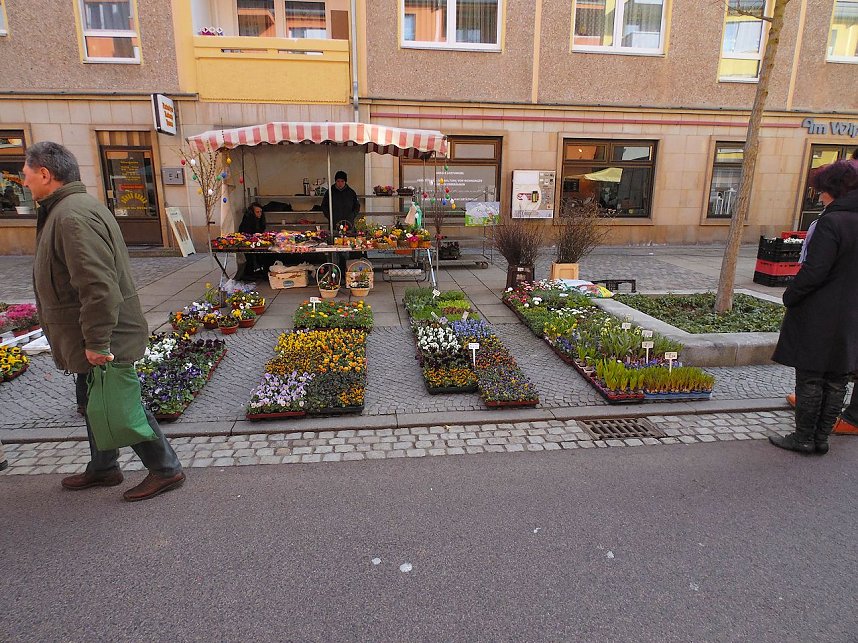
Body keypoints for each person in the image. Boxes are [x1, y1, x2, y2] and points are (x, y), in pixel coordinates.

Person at [22, 141, 185, 501]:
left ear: (46, 174)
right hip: (90, 329)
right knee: (92, 397)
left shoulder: (71, 215)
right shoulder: (69, 209)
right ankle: (104, 467)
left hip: (102, 332)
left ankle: (165, 469)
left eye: (27, 175)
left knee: (119, 401)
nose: (24, 182)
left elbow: (97, 285)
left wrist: (96, 342)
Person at [770, 159, 858, 455]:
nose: (819, 197)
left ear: (833, 190)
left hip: (821, 311)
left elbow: (815, 270)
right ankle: (822, 439)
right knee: (837, 377)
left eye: (821, 191)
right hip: (851, 312)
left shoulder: (832, 222)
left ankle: (804, 437)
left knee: (810, 375)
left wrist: (791, 295)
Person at [237, 201, 273, 278]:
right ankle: (251, 273)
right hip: (247, 243)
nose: (259, 213)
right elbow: (245, 232)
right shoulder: (247, 220)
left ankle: (261, 270)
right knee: (251, 257)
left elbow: (261, 229)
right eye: (257, 212)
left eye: (260, 212)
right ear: (252, 212)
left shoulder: (260, 219)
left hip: (257, 241)